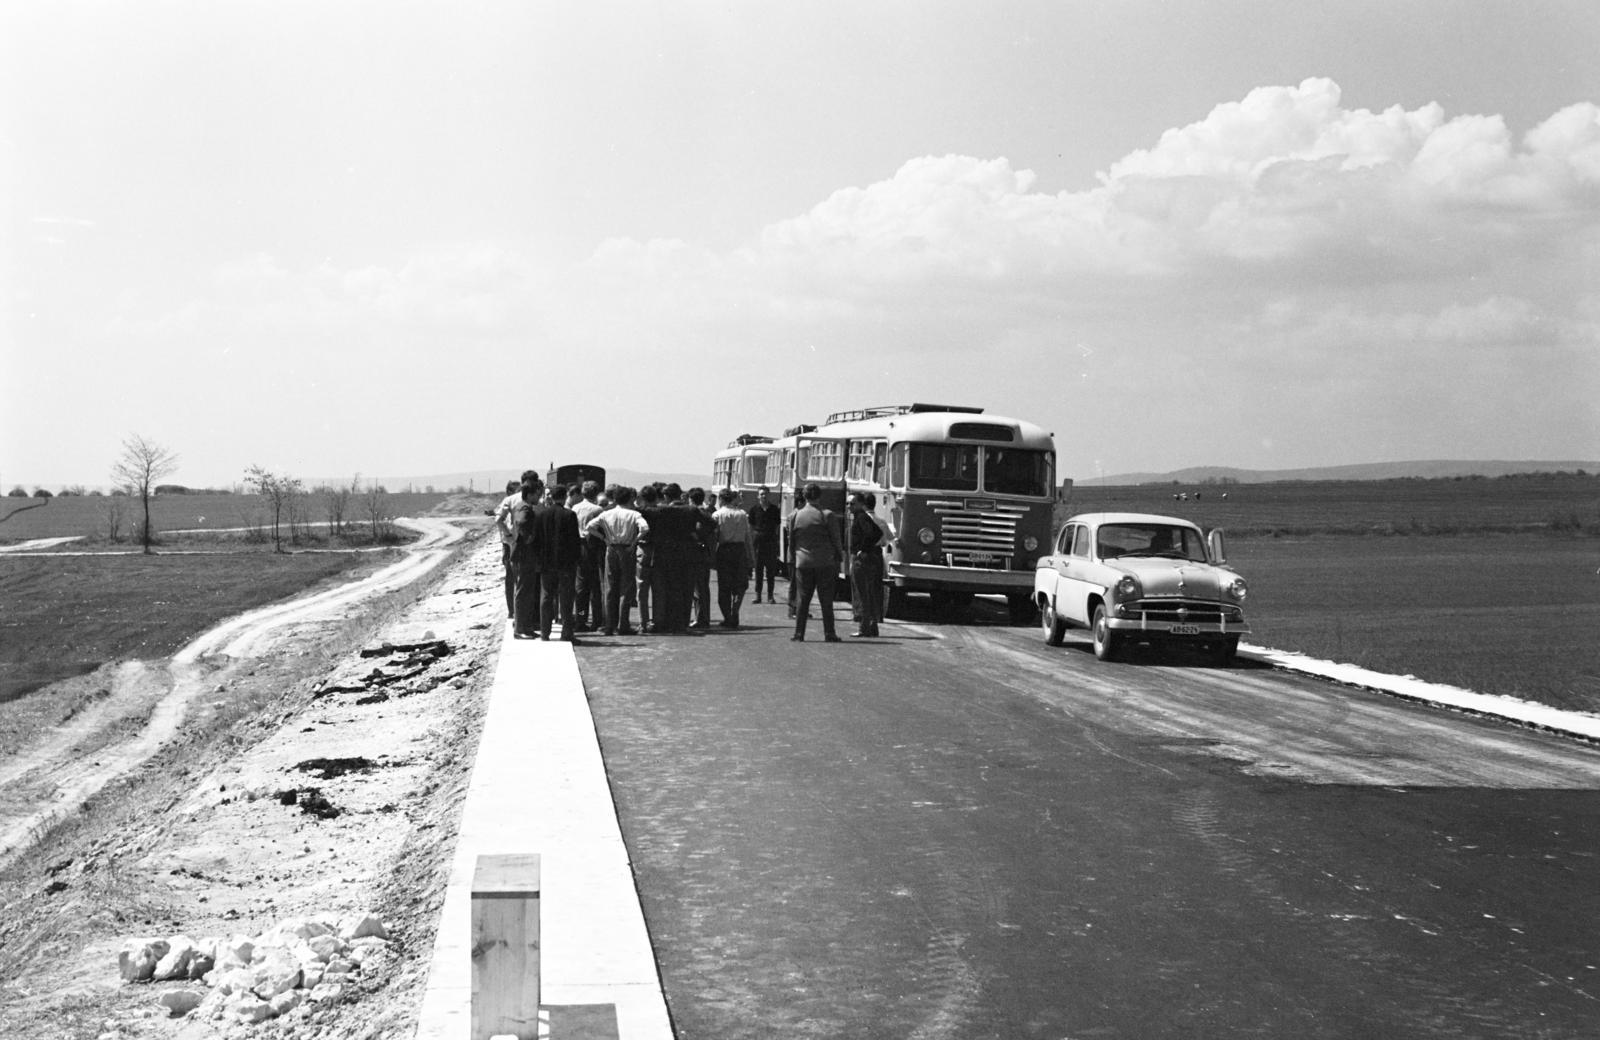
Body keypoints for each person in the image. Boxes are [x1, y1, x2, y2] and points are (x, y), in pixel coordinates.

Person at [523, 482, 583, 642]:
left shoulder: (541, 515)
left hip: (546, 564)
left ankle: (545, 633)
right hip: (566, 564)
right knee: (566, 598)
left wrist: (538, 560)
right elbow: (575, 542)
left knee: (546, 597)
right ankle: (566, 633)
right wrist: (575, 560)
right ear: (564, 497)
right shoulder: (569, 515)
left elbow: (534, 541)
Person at [587, 485, 647, 635]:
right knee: (625, 587)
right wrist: (634, 541)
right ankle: (622, 624)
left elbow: (589, 527)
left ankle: (609, 624)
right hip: (627, 548)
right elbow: (645, 528)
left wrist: (604, 538)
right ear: (629, 499)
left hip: (611, 548)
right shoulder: (634, 514)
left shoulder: (606, 514)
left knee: (610, 587)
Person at [789, 483, 843, 642]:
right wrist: (839, 557)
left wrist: (792, 559)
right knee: (826, 600)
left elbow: (791, 541)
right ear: (820, 496)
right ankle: (829, 633)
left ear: (804, 497)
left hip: (803, 562)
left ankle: (799, 633)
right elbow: (835, 539)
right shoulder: (827, 515)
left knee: (802, 599)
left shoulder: (795, 516)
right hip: (824, 562)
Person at [508, 478, 545, 639]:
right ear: (530, 494)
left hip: (521, 554)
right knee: (523, 592)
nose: (539, 497)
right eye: (538, 494)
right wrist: (529, 537)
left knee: (525, 591)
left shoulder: (519, 506)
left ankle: (525, 626)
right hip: (524, 555)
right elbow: (522, 522)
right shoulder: (526, 508)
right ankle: (520, 629)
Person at [712, 487, 755, 627]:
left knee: (724, 586)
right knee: (740, 585)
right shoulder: (743, 514)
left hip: (724, 551)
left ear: (721, 499)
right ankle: (735, 611)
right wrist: (751, 558)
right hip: (740, 550)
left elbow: (714, 537)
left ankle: (727, 616)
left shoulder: (717, 515)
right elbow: (748, 538)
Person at [570, 480, 606, 631]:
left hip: (578, 546)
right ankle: (597, 620)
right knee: (595, 586)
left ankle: (581, 618)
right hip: (593, 546)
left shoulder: (575, 508)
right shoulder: (598, 509)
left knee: (581, 587)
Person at [848, 491, 885, 637]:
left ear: (860, 504)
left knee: (862, 594)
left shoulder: (861, 517)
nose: (849, 507)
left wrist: (863, 550)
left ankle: (864, 628)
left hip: (862, 561)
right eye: (848, 504)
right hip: (867, 559)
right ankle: (871, 626)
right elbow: (877, 532)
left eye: (852, 504)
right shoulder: (861, 517)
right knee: (867, 593)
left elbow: (873, 534)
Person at [493, 477, 525, 620]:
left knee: (514, 578)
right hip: (509, 544)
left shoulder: (508, 503)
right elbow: (501, 522)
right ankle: (512, 611)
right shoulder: (507, 504)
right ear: (510, 492)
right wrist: (509, 535)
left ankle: (514, 610)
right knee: (512, 578)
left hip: (511, 543)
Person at [747, 486, 781, 603]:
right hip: (758, 544)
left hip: (770, 542)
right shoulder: (754, 509)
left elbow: (777, 526)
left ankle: (770, 596)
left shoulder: (775, 509)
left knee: (771, 571)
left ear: (769, 495)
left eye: (765, 494)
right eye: (761, 494)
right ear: (758, 496)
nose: (763, 496)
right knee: (758, 571)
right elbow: (751, 526)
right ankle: (758, 595)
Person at [687, 487, 715, 629]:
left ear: (690, 499)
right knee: (703, 587)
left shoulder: (696, 513)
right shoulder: (707, 513)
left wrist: (695, 537)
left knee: (698, 589)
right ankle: (703, 617)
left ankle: (701, 618)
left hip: (697, 554)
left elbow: (697, 530)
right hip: (705, 554)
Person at [635, 484, 660, 633]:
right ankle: (657, 621)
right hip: (659, 551)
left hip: (643, 549)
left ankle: (643, 622)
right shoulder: (662, 512)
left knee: (642, 590)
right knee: (658, 589)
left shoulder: (639, 513)